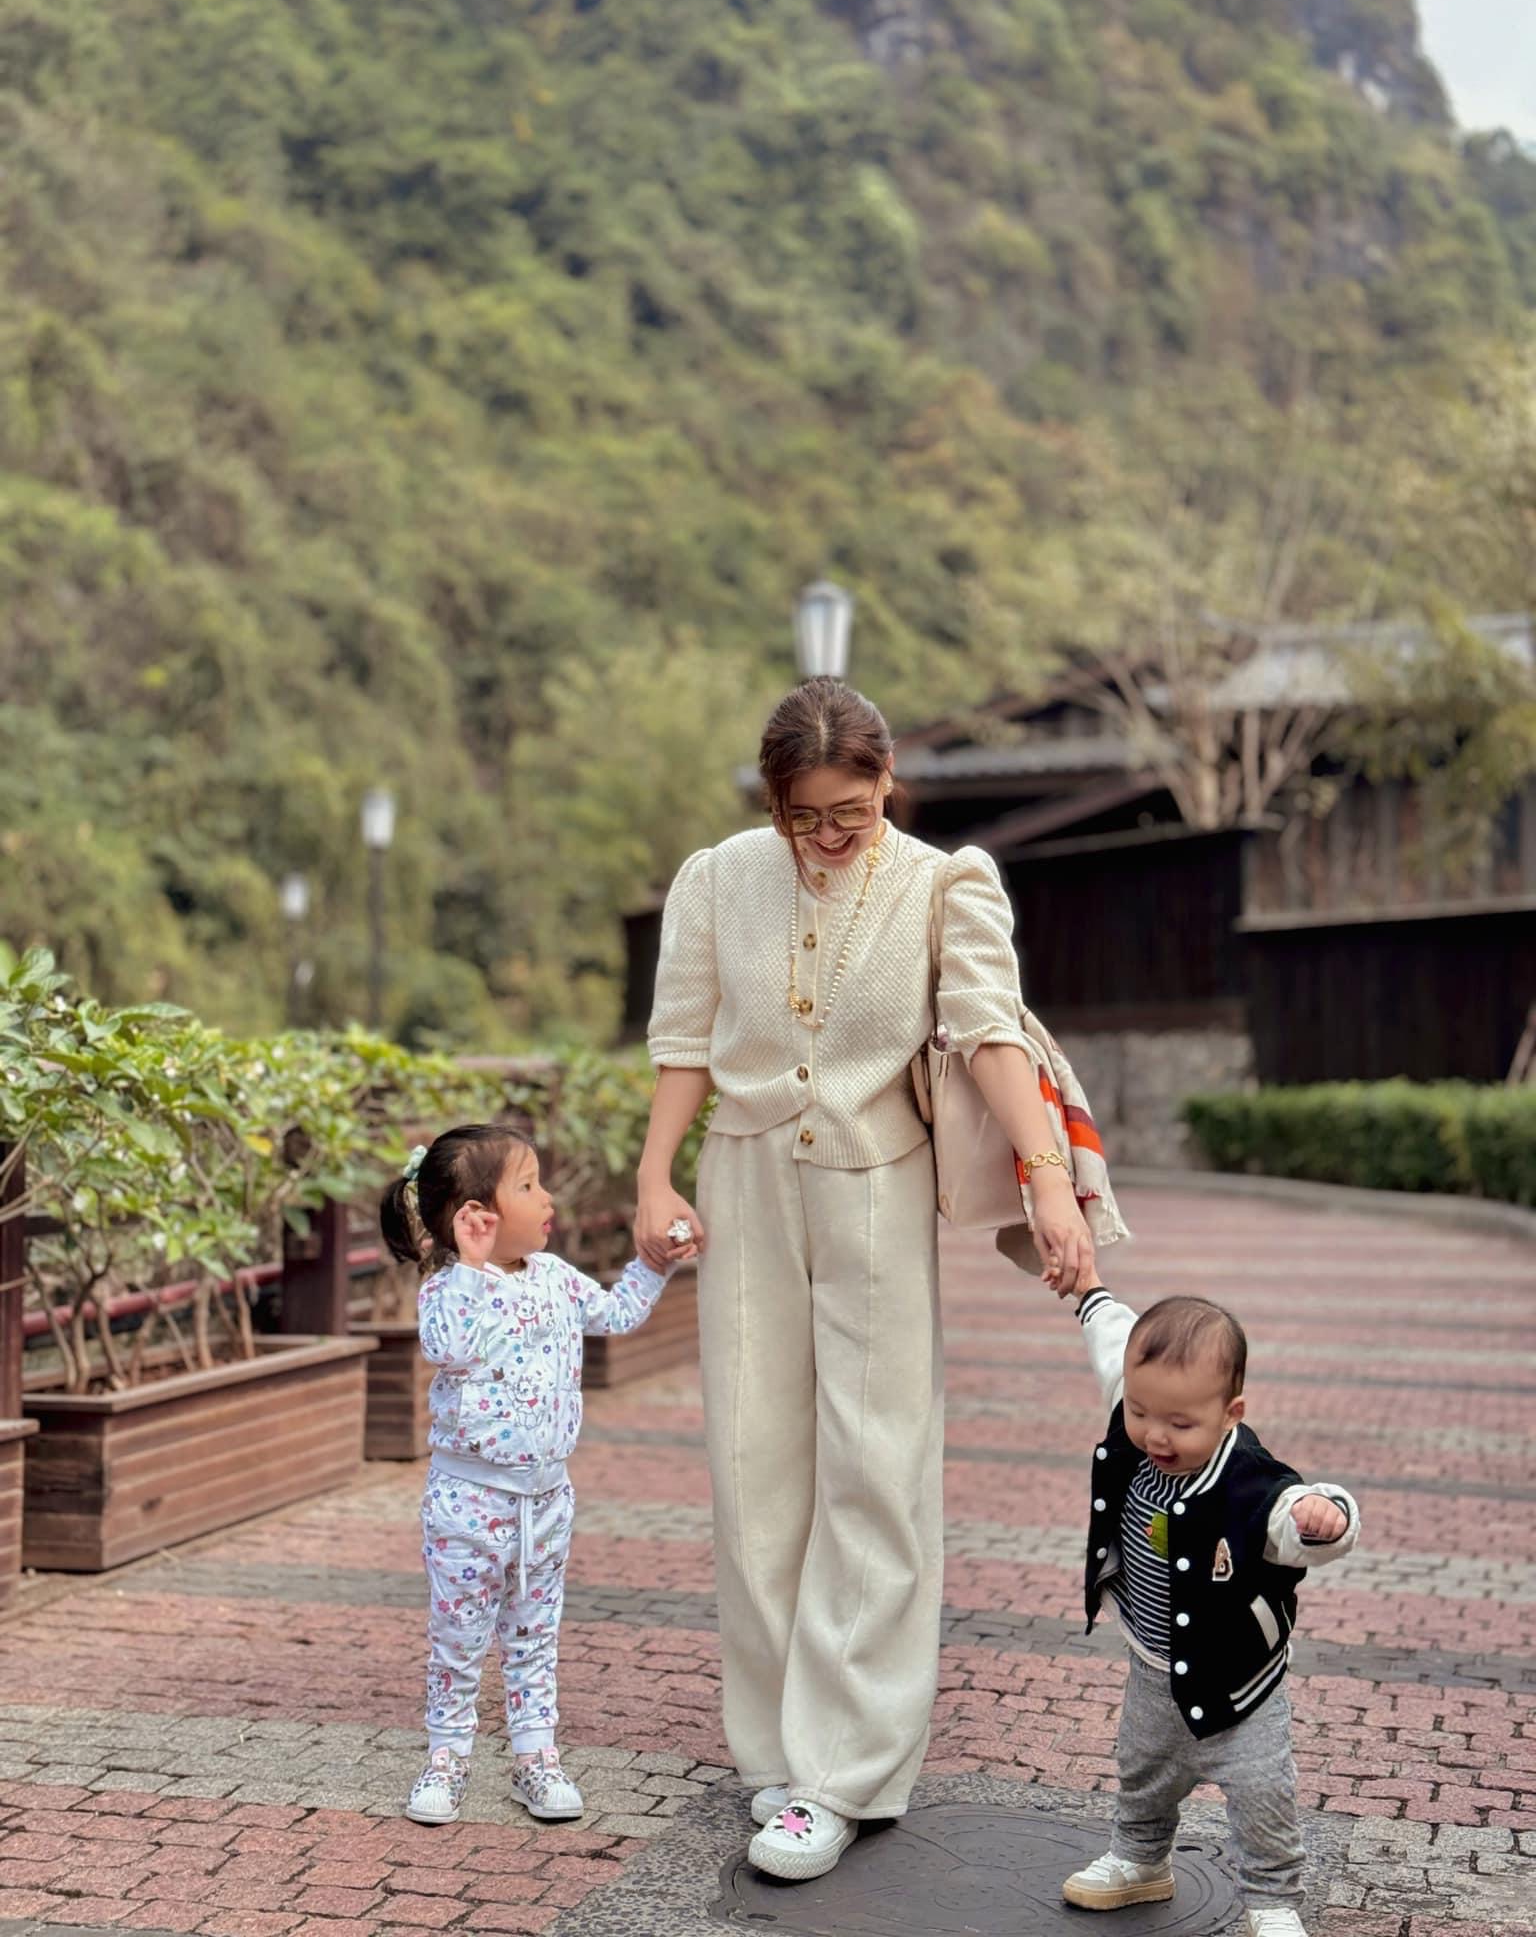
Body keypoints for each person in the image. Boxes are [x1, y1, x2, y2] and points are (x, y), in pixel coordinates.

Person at [637, 675, 1098, 1882]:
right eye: (807, 816)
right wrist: (654, 1178)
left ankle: (845, 1767)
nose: (831, 837)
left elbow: (990, 1031)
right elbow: (684, 1037)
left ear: (888, 782)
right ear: (773, 800)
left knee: (876, 1461)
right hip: (741, 1182)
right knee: (753, 1462)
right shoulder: (716, 876)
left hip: (878, 1186)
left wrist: (1050, 1183)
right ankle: (780, 1751)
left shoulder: (946, 881)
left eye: (852, 810)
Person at [379, 1121, 692, 1828]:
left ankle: (535, 1757)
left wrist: (656, 1265)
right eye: (528, 1185)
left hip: (545, 1501)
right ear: (476, 1218)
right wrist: (470, 1268)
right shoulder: (447, 1292)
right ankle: (447, 1757)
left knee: (533, 1635)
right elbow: (446, 1350)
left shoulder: (554, 1278)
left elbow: (615, 1315)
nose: (547, 1197)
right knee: (458, 1641)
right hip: (468, 1503)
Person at [1045, 1247, 1360, 1937]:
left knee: (1262, 1794)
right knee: (1143, 1774)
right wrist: (1088, 1288)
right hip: (1153, 1669)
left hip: (1241, 1685)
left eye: (1181, 1424)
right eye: (1141, 1412)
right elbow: (1111, 1341)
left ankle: (1272, 1900)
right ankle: (1139, 1861)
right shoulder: (1139, 1409)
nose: (1155, 1434)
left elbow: (1299, 1515)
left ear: (1229, 1412)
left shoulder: (1251, 1483)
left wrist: (1325, 1516)